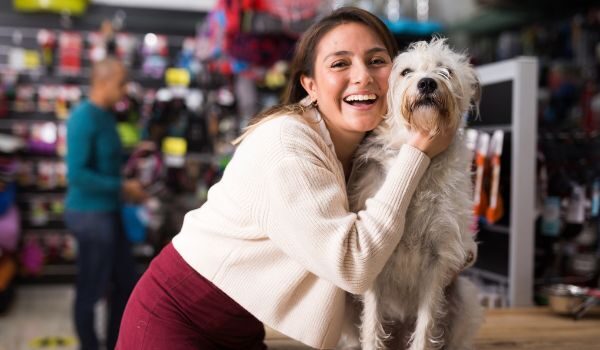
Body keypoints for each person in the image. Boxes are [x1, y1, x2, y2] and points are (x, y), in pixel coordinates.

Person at [116, 7, 456, 350]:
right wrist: (418, 153)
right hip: (176, 319)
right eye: (340, 64)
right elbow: (354, 265)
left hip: (240, 326)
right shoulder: (286, 145)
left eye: (377, 61)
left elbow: (388, 230)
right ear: (310, 84)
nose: (363, 76)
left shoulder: (364, 146)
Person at [64, 57, 147, 350]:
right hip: (89, 215)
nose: (126, 89)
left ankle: (115, 344)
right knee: (91, 289)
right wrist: (123, 187)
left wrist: (134, 155)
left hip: (108, 212)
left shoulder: (106, 115)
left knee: (125, 284)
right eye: (120, 83)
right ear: (101, 82)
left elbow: (105, 163)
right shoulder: (83, 117)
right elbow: (77, 175)